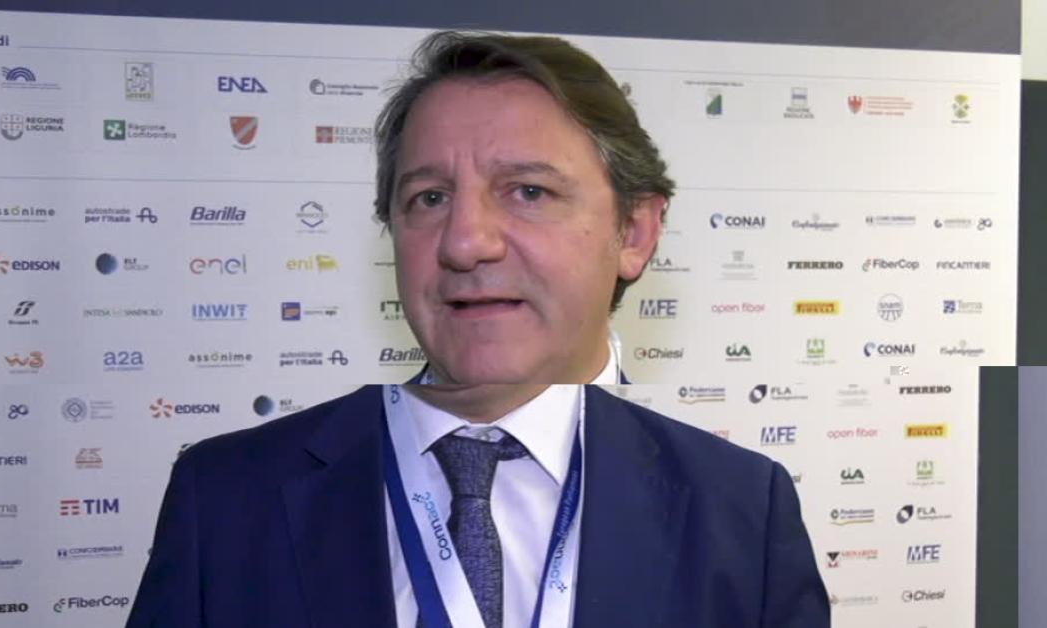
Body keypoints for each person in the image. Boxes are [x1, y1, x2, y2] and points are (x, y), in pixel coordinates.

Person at [126, 31, 828, 627]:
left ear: (635, 233)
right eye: (429, 197)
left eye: (528, 191)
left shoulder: (743, 514)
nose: (464, 243)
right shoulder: (226, 499)